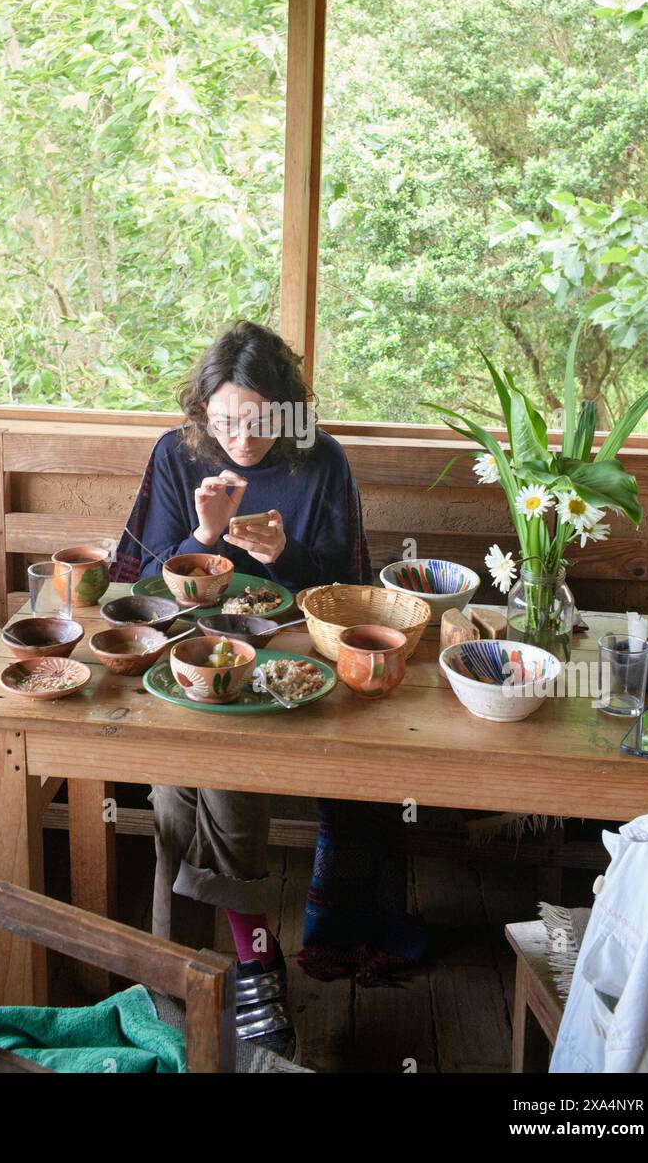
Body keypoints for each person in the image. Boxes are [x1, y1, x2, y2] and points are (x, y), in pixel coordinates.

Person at [111, 320, 427, 1053]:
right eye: (224, 421)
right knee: (184, 787)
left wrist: (285, 551)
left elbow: (346, 591)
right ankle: (249, 964)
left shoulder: (321, 462)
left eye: (256, 424)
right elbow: (140, 582)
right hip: (188, 658)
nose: (240, 441)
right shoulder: (177, 453)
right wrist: (205, 539)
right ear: (201, 412)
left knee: (194, 782)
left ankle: (181, 975)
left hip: (292, 672)